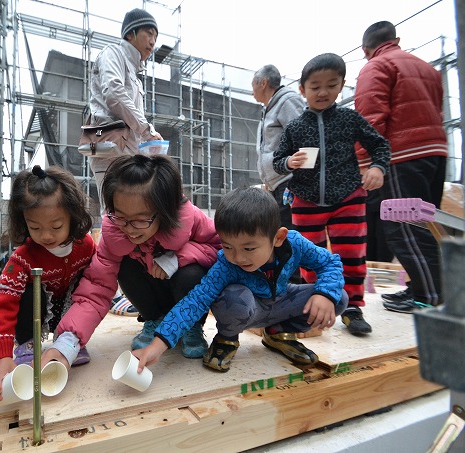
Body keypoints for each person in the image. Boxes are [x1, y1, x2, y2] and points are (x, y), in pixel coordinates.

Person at [133, 187, 348, 372]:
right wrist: (158, 344)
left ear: (278, 238)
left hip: (281, 302)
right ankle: (227, 338)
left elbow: (330, 263)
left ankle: (278, 333)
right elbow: (195, 301)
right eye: (227, 247)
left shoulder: (295, 244)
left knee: (337, 298)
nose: (238, 257)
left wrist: (324, 294)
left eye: (249, 248)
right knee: (234, 298)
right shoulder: (226, 265)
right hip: (249, 309)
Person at [47, 154, 221, 365]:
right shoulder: (114, 234)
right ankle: (154, 320)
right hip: (154, 295)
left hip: (185, 297)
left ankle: (191, 327)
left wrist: (176, 258)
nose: (128, 228)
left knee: (191, 274)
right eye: (120, 216)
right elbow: (96, 286)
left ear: (164, 210)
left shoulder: (190, 217)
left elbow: (219, 249)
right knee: (125, 267)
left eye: (140, 219)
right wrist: (68, 342)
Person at [272, 53, 390, 336]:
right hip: (305, 199)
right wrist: (289, 162)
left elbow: (380, 146)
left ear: (341, 85)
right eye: (315, 86)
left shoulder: (350, 119)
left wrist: (377, 168)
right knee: (308, 256)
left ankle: (352, 307)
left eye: (331, 85)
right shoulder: (295, 127)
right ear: (302, 90)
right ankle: (316, 299)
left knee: (351, 255)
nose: (323, 92)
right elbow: (278, 159)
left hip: (348, 198)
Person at [354, 21, 447, 313]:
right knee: (420, 224)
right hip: (434, 153)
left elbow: (369, 119)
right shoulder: (428, 69)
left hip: (400, 156)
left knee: (400, 225)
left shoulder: (376, 67)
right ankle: (421, 287)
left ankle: (429, 296)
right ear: (396, 39)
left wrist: (367, 164)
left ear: (365, 49)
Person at [0, 166, 95, 404]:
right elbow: (2, 306)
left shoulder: (86, 246)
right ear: (23, 221)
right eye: (35, 228)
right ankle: (27, 347)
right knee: (27, 290)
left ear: (73, 216)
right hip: (36, 310)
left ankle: (68, 342)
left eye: (56, 226)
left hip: (66, 309)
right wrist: (2, 356)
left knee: (84, 286)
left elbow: (94, 291)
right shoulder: (23, 259)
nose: (46, 236)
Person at [87, 8, 163, 202]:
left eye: (155, 36)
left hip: (124, 149)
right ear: (131, 33)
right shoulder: (112, 53)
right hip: (108, 144)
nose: (153, 42)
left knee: (128, 211)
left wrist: (148, 135)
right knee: (115, 212)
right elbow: (114, 93)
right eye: (149, 33)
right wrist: (147, 130)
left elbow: (131, 114)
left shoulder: (135, 76)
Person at [251, 64, 305, 232]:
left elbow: (303, 138)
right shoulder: (270, 107)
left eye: (253, 84)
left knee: (287, 234)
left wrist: (297, 178)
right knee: (279, 232)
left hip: (288, 181)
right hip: (277, 183)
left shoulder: (287, 101)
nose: (252, 90)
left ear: (263, 83)